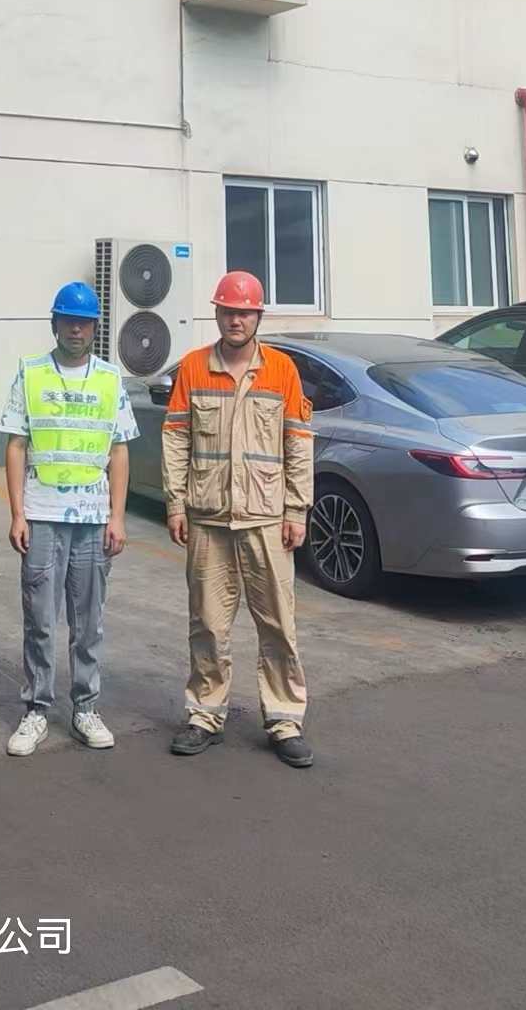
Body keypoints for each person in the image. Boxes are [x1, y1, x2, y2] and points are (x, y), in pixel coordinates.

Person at [161, 271, 315, 767]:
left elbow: (297, 443)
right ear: (217, 313)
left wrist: (296, 509)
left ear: (258, 317)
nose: (236, 320)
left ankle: (285, 720)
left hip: (267, 519)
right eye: (229, 311)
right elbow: (176, 439)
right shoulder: (193, 367)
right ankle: (205, 714)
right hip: (208, 517)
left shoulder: (282, 371)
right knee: (207, 623)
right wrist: (176, 503)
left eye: (245, 312)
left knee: (278, 625)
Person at [1, 281, 138, 756]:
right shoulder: (31, 373)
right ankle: (36, 710)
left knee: (88, 622)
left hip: (93, 519)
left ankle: (85, 707)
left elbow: (119, 452)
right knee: (40, 619)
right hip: (41, 515)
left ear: (95, 328)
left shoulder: (110, 380)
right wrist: (17, 514)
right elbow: (16, 446)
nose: (75, 330)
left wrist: (117, 517)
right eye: (68, 321)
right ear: (54, 324)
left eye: (83, 323)